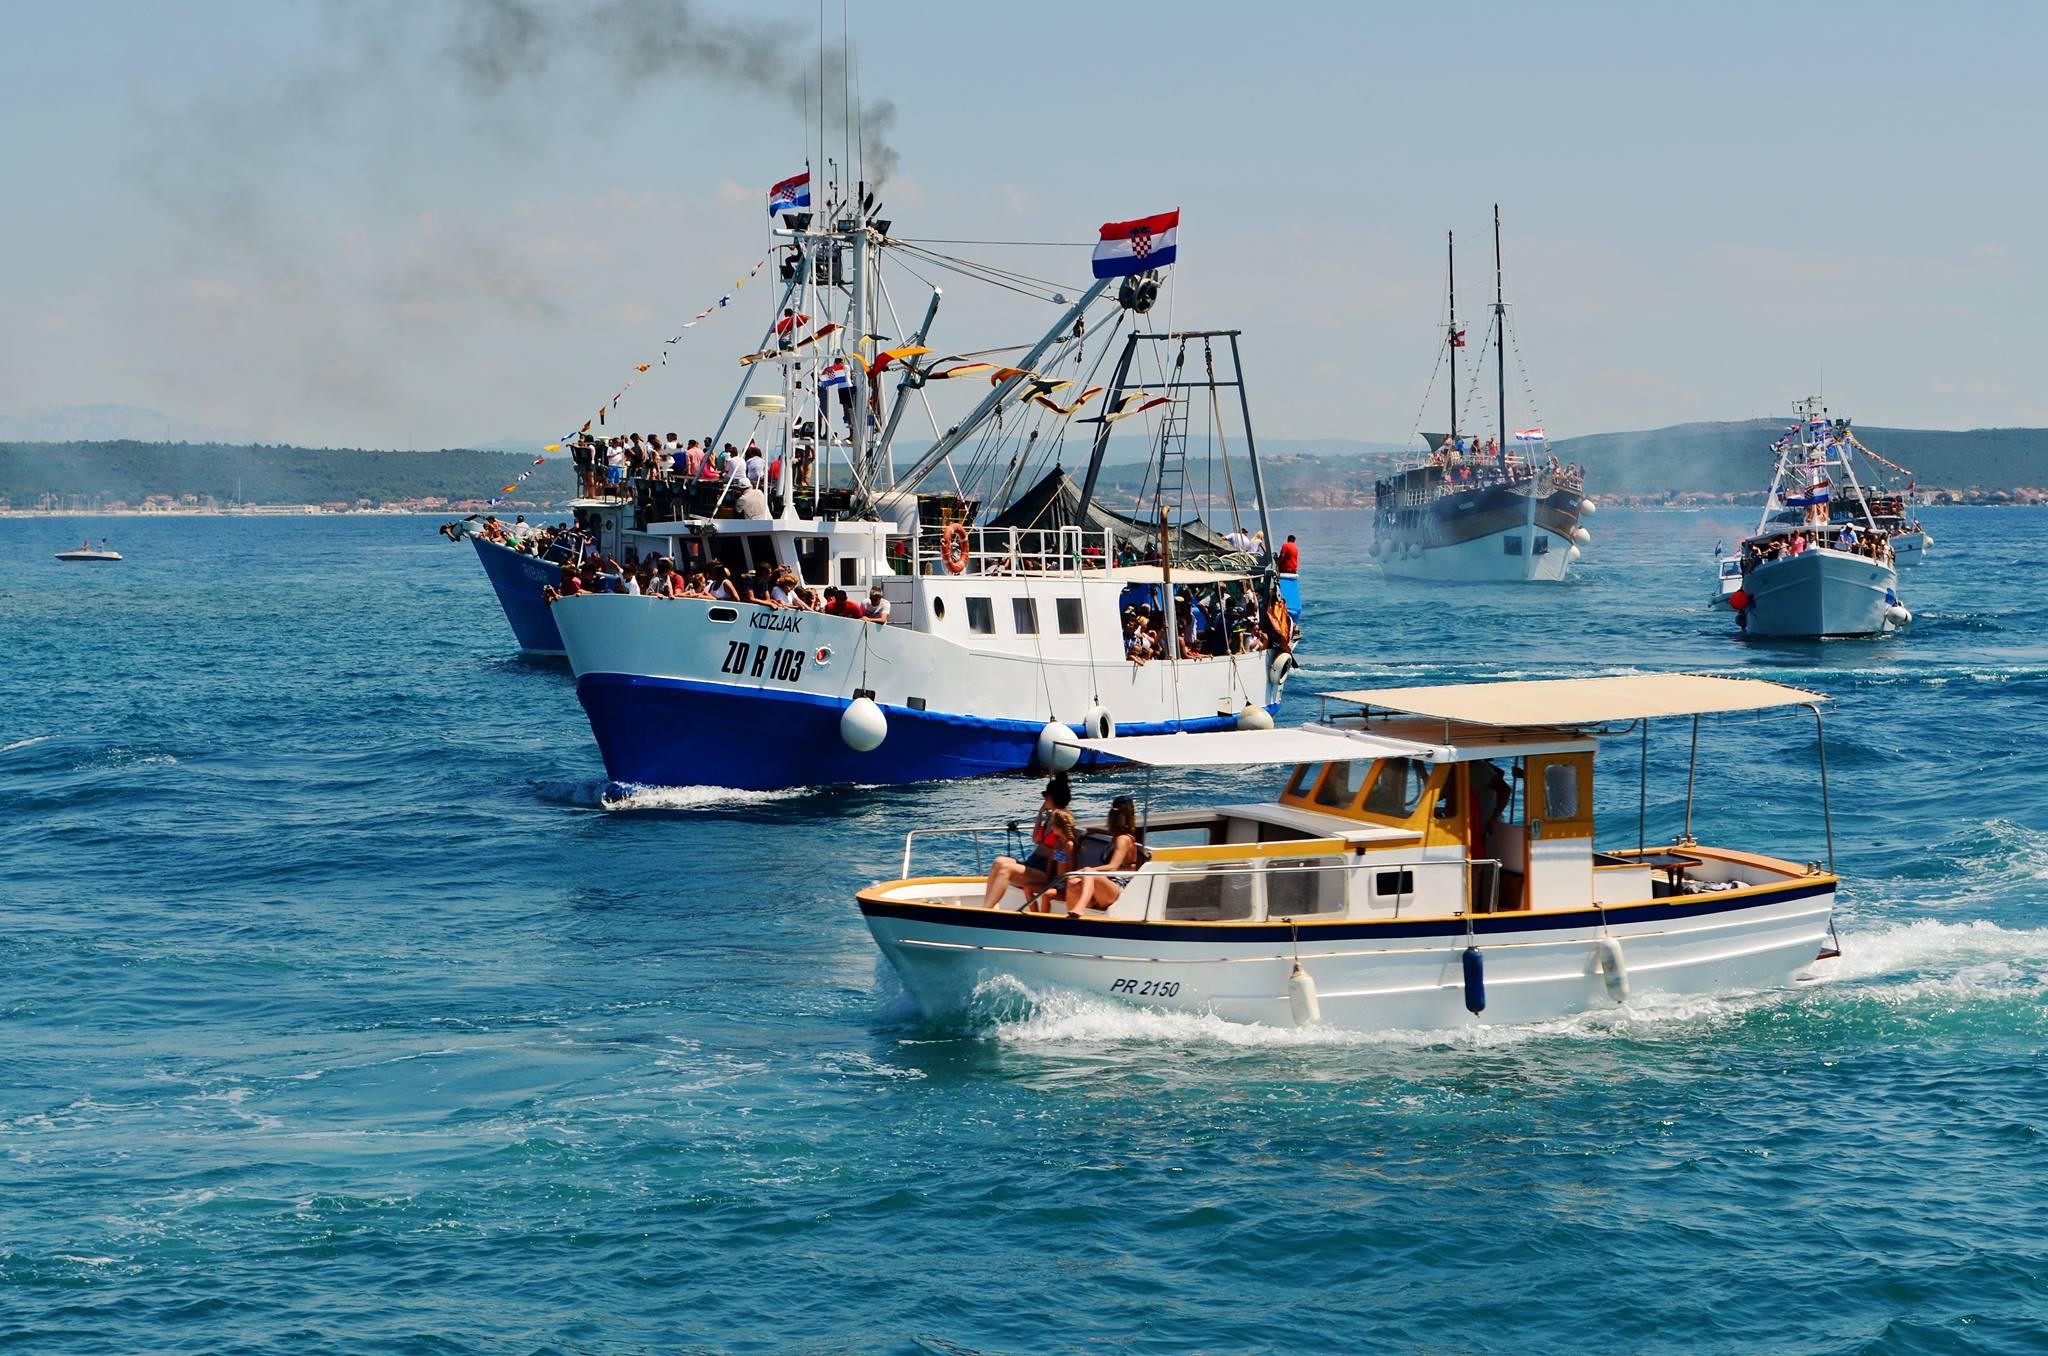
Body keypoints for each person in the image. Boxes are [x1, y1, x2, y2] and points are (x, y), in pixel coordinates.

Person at [982, 773, 1072, 909]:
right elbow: (1036, 839)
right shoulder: (1051, 818)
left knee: (1005, 869)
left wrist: (1052, 877)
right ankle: (986, 906)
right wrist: (1040, 814)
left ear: (1050, 797)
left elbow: (1060, 853)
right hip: (1034, 862)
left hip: (1044, 870)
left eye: (1045, 796)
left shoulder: (1062, 821)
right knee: (998, 862)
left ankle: (987, 910)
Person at [1066, 795, 1142, 917]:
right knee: (1073, 883)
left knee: (1088, 871)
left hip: (1120, 889)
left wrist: (1082, 871)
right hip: (1109, 886)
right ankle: (1072, 918)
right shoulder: (1118, 837)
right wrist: (1099, 831)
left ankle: (1080, 908)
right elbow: (1115, 836)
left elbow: (1113, 867)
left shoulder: (1123, 840)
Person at [1029, 810, 1080, 913]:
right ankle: (1034, 916)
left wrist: (1065, 886)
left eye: (1053, 825)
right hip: (1054, 881)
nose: (1051, 828)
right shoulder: (1058, 842)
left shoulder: (1069, 845)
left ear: (1059, 827)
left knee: (1047, 895)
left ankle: (1044, 922)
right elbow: (1050, 861)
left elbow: (1071, 868)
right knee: (1027, 887)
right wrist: (1047, 879)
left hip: (1063, 885)